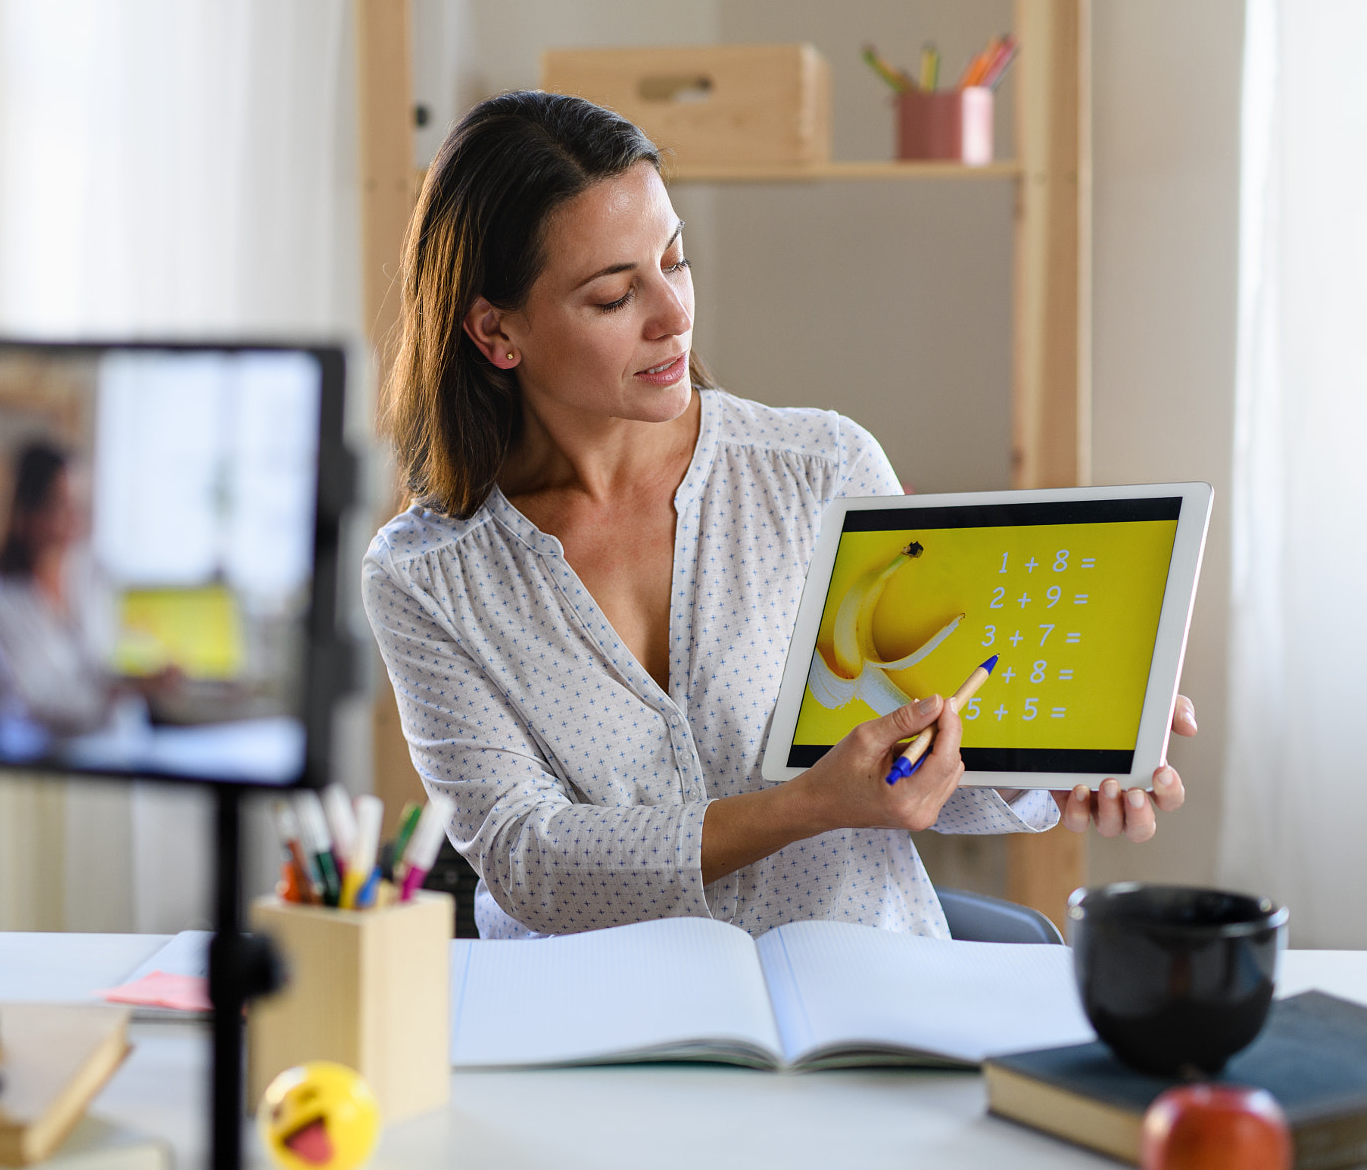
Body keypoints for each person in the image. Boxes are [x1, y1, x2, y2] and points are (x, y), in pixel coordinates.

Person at [363, 92, 1198, 940]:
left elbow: (921, 759)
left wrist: (1055, 763)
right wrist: (801, 807)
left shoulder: (820, 469)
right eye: (616, 296)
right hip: (601, 1029)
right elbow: (528, 859)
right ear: (497, 332)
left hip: (857, 1000)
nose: (674, 313)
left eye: (675, 259)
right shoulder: (427, 573)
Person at [0, 441, 167, 751]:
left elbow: (116, 652)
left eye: (80, 505)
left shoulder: (94, 571)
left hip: (117, 747)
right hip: (39, 755)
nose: (76, 519)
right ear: (25, 511)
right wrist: (125, 690)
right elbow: (37, 700)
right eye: (61, 505)